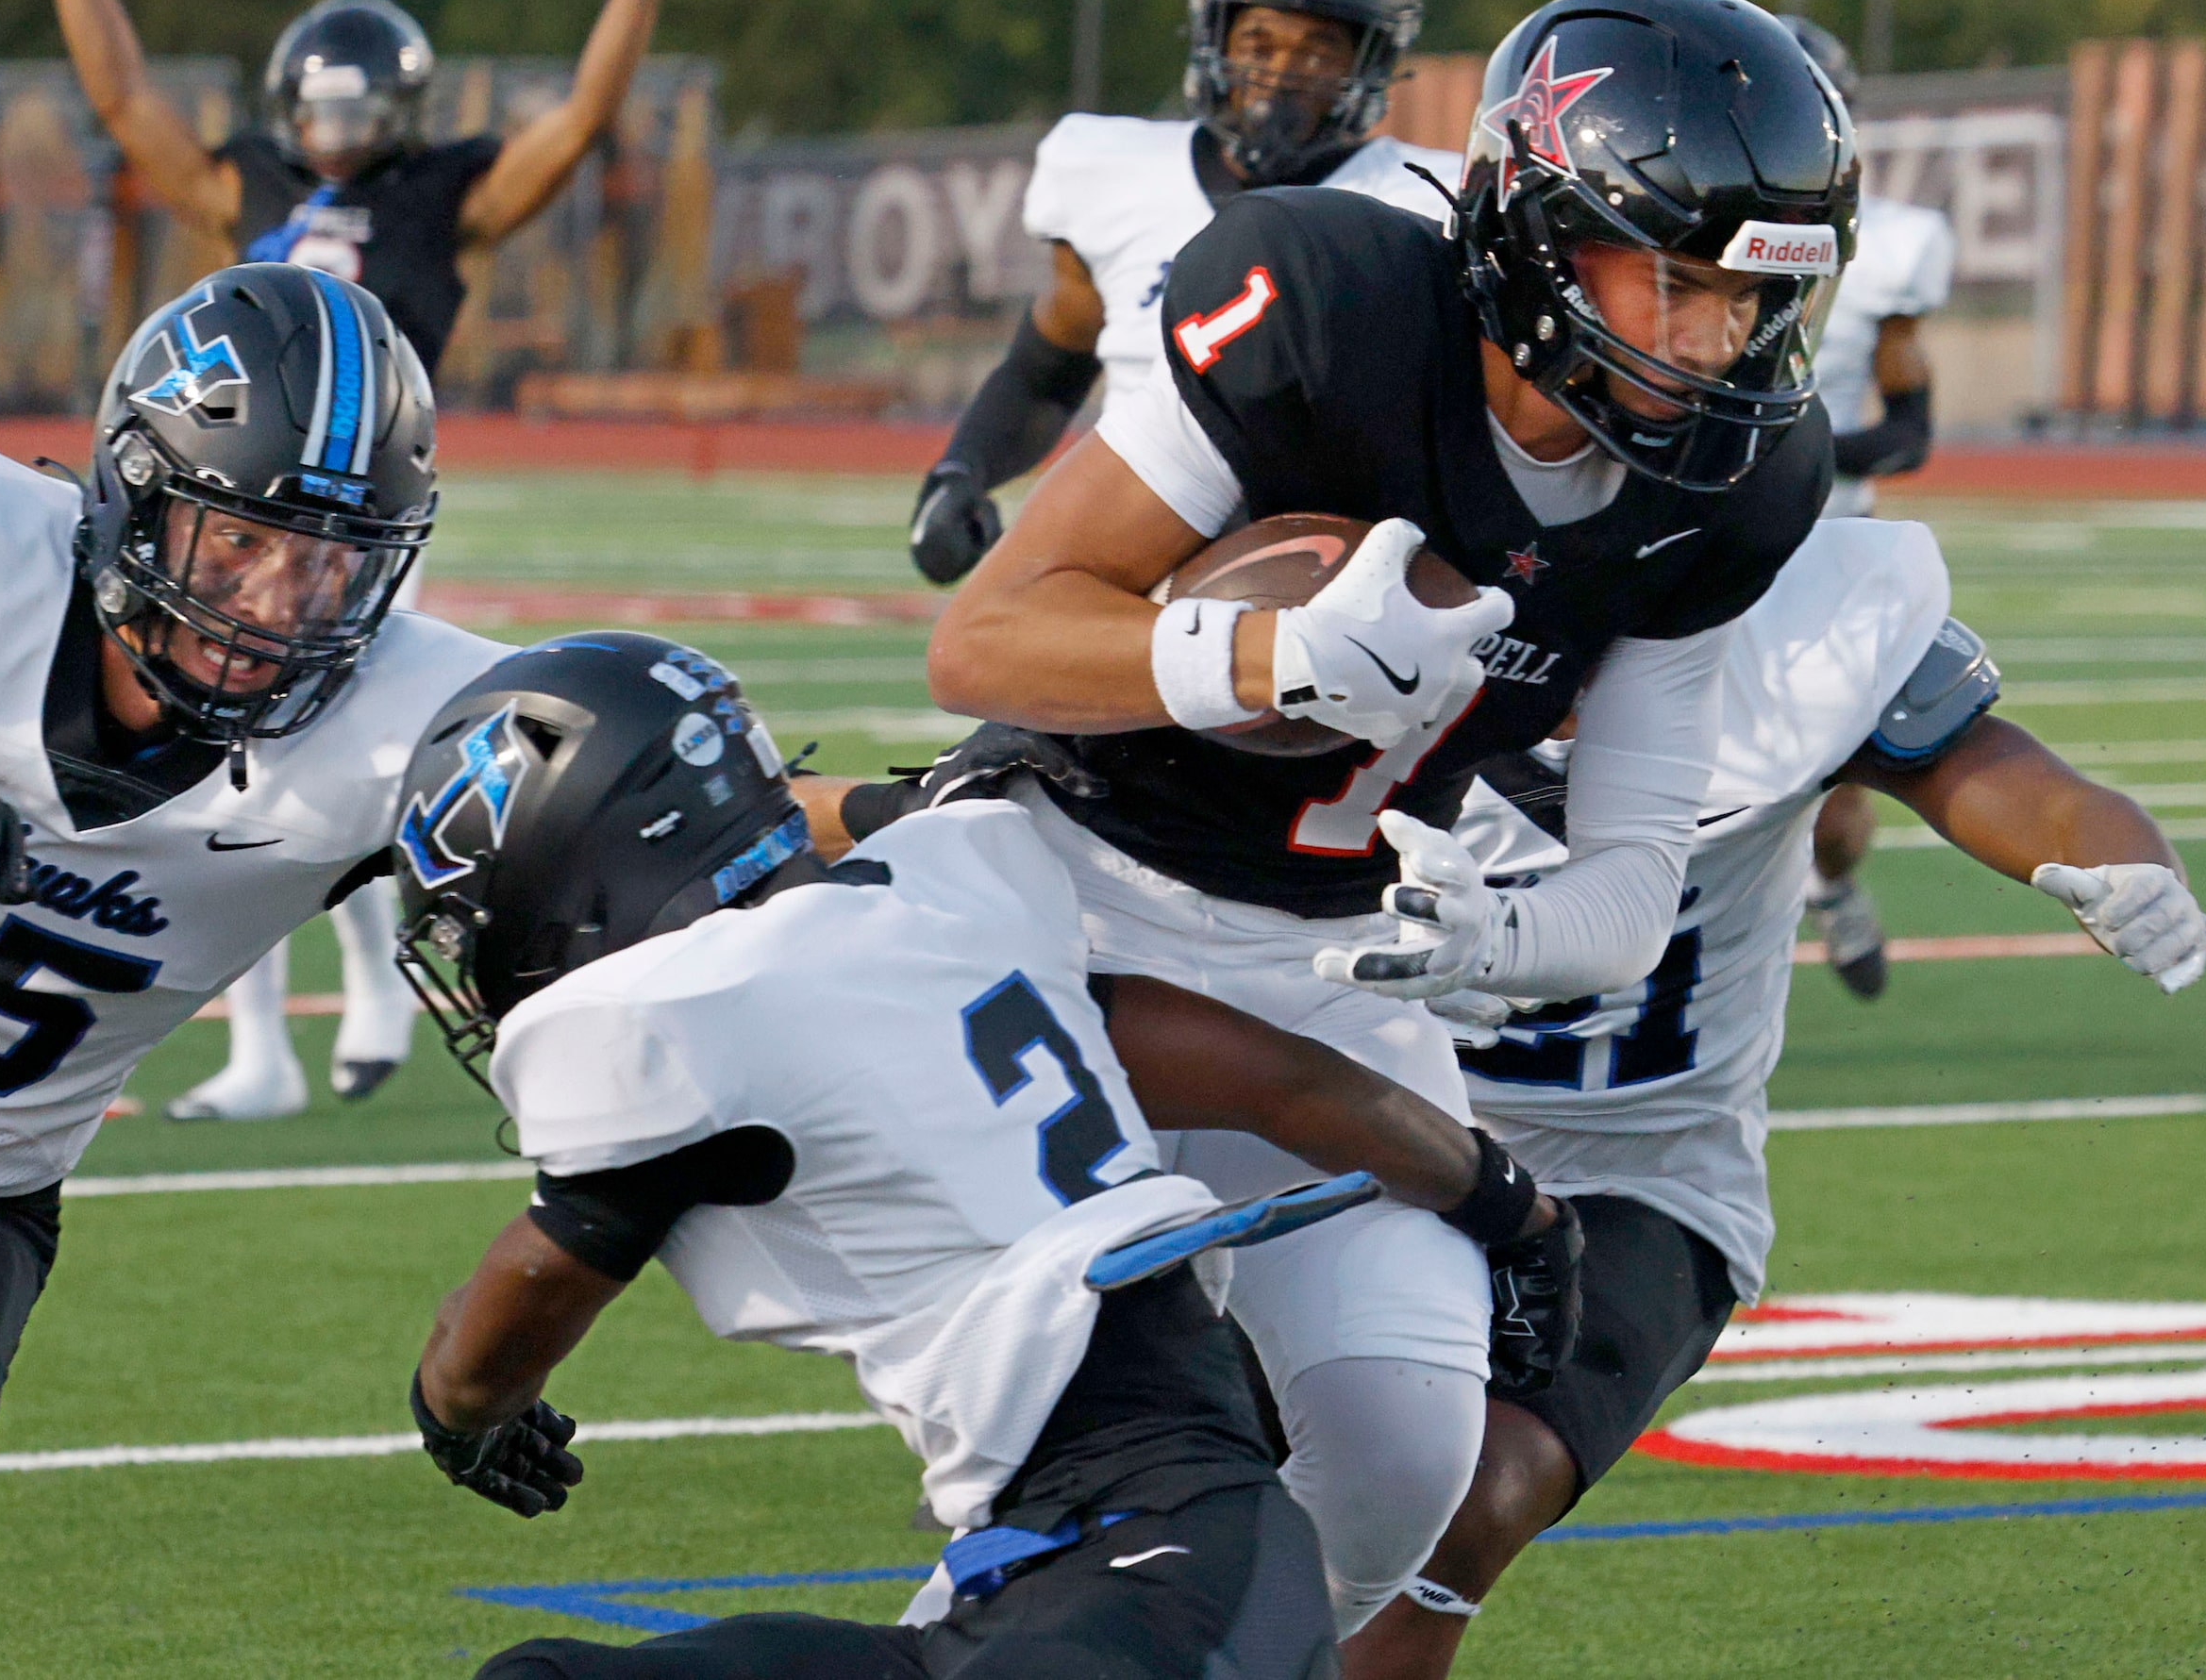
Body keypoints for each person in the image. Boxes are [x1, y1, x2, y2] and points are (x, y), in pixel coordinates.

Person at [912, 0, 1855, 1640]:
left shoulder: (1735, 487)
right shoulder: (1330, 306)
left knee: (1402, 1455)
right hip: (1059, 896)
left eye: (1754, 301)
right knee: (1084, 1421)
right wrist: (1255, 653)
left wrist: (1494, 932)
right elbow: (981, 635)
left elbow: (1634, 869)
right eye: (1681, 282)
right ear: (1538, 228)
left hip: (1327, 963)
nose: (1716, 344)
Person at [384, 634, 1578, 1680]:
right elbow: (1278, 1079)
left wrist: (462, 1415)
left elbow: (511, 1318)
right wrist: (1508, 1206)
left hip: (1158, 1566)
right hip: (1074, 1568)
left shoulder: (682, 1013)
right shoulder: (956, 884)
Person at [0, 265, 508, 1677]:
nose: (276, 601)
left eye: (330, 557)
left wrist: (907, 805)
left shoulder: (406, 721)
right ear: (138, 496)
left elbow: (696, 804)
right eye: (238, 542)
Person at [1335, 516, 2206, 1678]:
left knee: (1474, 1497)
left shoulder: (1786, 639)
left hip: (1645, 1175)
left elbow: (1997, 770)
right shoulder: (1364, 623)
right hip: (1357, 1129)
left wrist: (2119, 856)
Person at [38, 0, 694, 1118]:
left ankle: (365, 1006)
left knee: (335, 764)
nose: (335, 135)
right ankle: (267, 1046)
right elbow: (127, 102)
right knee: (219, 757)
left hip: (352, 541)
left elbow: (582, 122)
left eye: (359, 112)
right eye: (320, 110)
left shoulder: (443, 193)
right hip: (230, 520)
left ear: (402, 113)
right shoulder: (251, 178)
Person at [909, 0, 1453, 584]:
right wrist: (963, 470)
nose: (1281, 72)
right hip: (1128, 555)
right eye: (1258, 41)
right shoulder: (1111, 171)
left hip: (1327, 572)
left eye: (1318, 50)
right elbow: (1046, 373)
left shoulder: (1428, 203)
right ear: (1215, 36)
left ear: (1369, 61)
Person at [1783, 14, 1961, 1001]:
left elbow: (1910, 432)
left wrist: (1779, 454)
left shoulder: (1888, 247)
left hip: (1823, 544)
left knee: (1841, 811)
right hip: (1680, 540)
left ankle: (1833, 884)